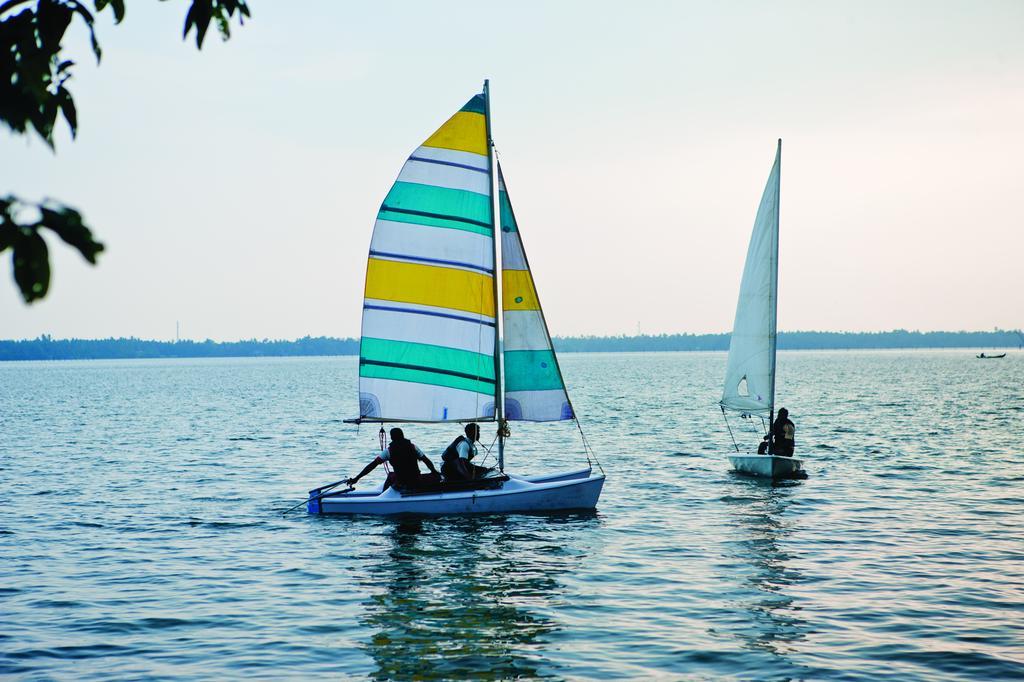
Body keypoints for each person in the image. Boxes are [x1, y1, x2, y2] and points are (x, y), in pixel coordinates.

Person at [347, 428, 441, 491]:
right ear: (403, 436)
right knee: (434, 477)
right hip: (415, 479)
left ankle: (385, 497)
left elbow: (372, 465)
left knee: (391, 476)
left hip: (402, 482)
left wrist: (357, 478)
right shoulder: (413, 447)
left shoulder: (389, 451)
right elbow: (426, 460)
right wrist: (434, 471)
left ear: (392, 438)